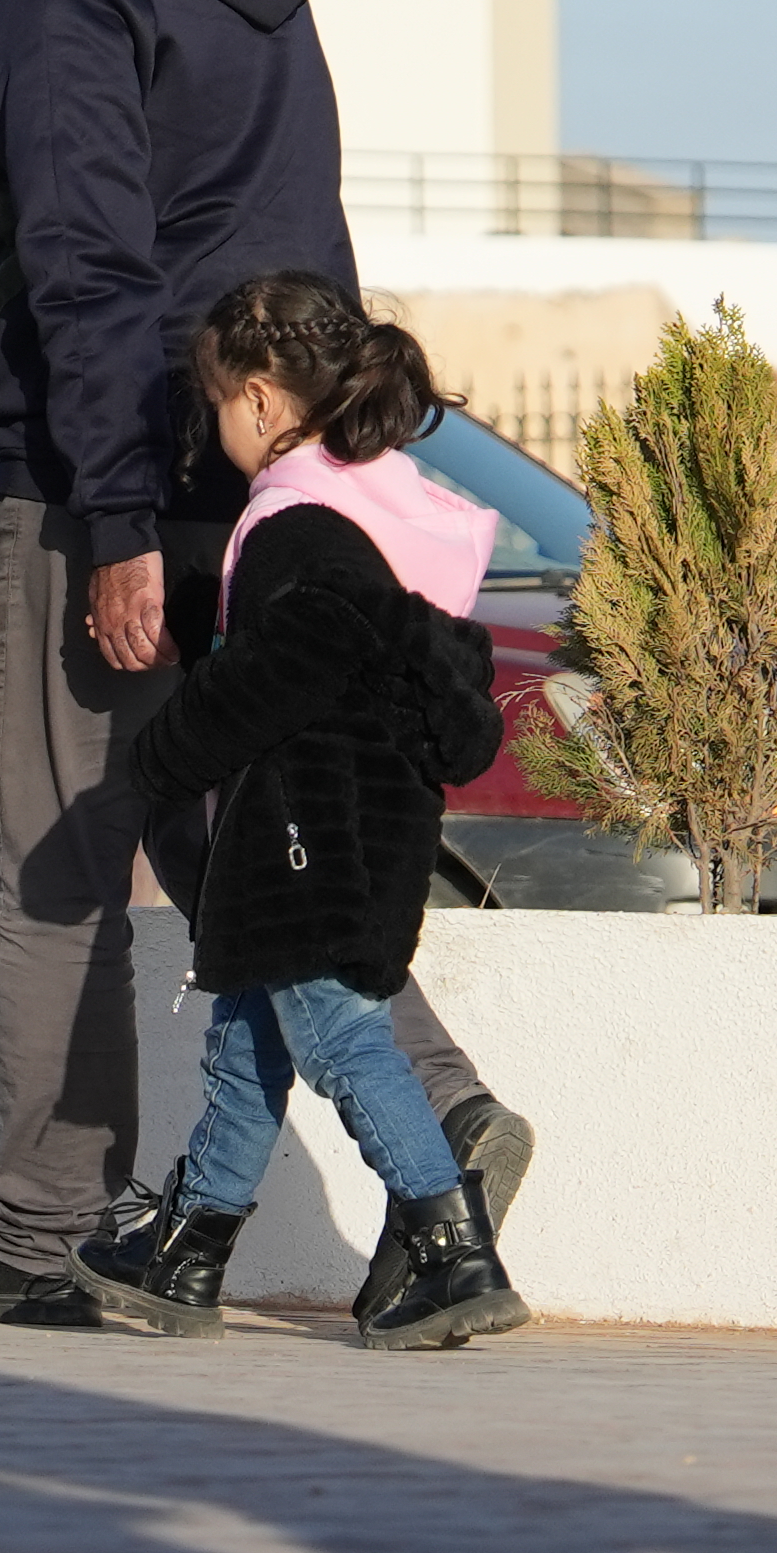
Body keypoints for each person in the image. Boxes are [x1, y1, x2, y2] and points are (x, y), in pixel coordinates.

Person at [0, 0, 525, 1327]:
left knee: (54, 847)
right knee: (233, 830)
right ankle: (439, 1115)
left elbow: (84, 269)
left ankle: (37, 1227)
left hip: (112, 477)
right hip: (271, 472)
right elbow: (297, 235)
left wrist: (118, 519)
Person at [67, 275, 533, 1352]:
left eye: (216, 405)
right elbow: (345, 646)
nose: (214, 430)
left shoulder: (296, 523)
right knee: (246, 1043)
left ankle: (449, 1249)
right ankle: (187, 1251)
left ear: (262, 400)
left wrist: (166, 754)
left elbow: (299, 653)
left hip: (303, 836)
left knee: (343, 1041)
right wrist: (206, 613)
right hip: (346, 833)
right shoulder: (380, 511)